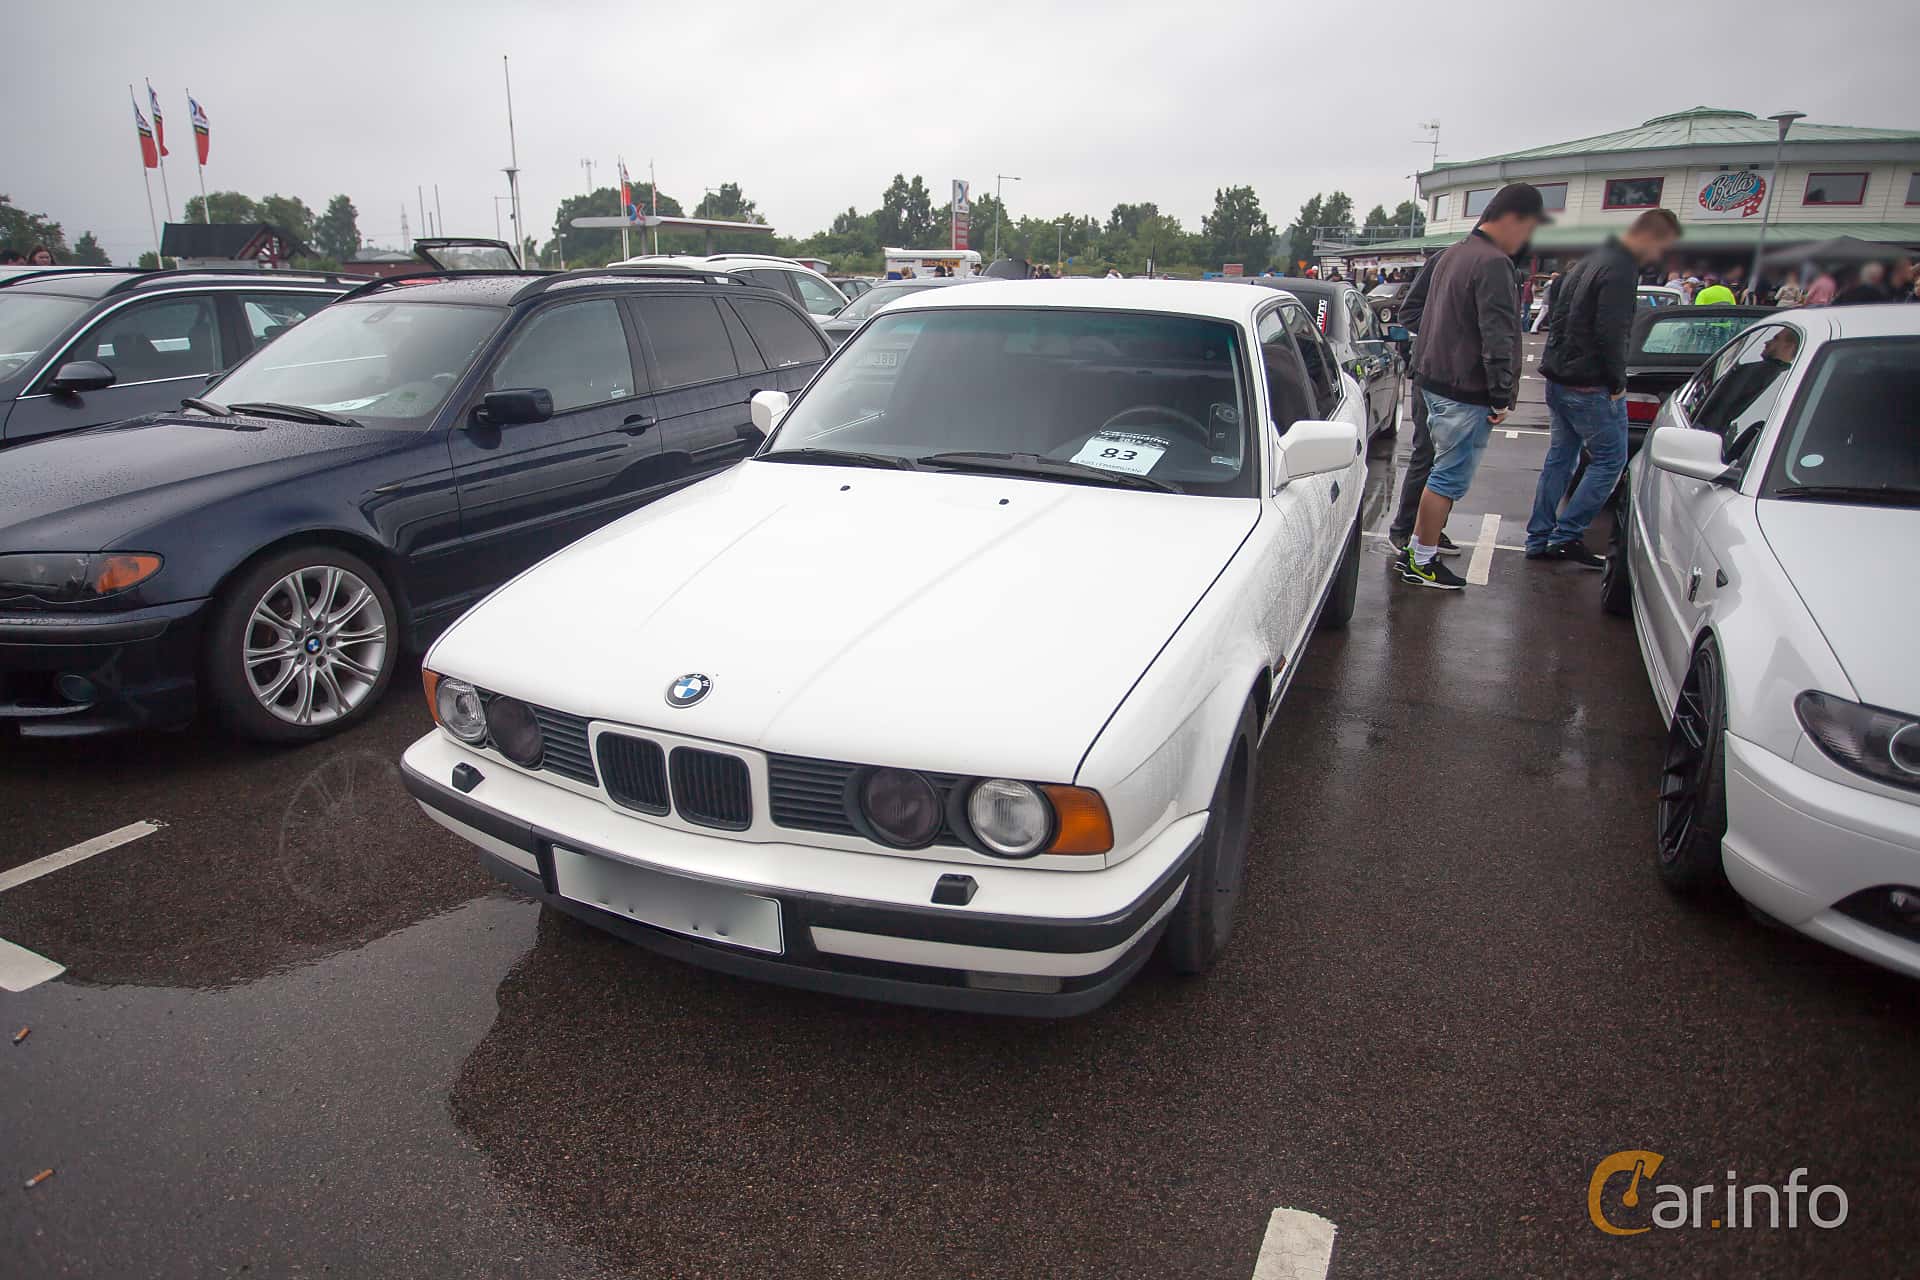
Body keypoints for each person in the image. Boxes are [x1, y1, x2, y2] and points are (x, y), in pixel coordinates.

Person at [1396, 182, 1550, 590]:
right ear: (1514, 219)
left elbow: (1421, 313)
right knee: (1446, 478)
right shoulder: (1494, 263)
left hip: (1434, 380)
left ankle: (1416, 550)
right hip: (1464, 390)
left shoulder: (1453, 254)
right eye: (1529, 229)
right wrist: (1501, 397)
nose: (1527, 240)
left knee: (1434, 469)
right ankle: (1422, 560)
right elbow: (1499, 337)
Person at [1525, 208, 1683, 567]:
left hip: (1560, 376)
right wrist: (1616, 381)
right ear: (1651, 237)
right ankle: (1566, 535)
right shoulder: (1621, 269)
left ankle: (1540, 536)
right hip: (1590, 382)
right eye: (1662, 247)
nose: (1660, 256)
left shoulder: (1588, 261)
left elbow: (1559, 317)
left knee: (1560, 459)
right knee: (1610, 462)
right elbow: (1612, 331)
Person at [1384, 254, 1458, 558]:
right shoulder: (1445, 260)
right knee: (1426, 454)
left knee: (1449, 462)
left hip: (1463, 380)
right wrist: (1449, 334)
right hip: (1432, 374)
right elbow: (1410, 312)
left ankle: (1430, 529)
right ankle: (1403, 529)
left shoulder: (1495, 264)